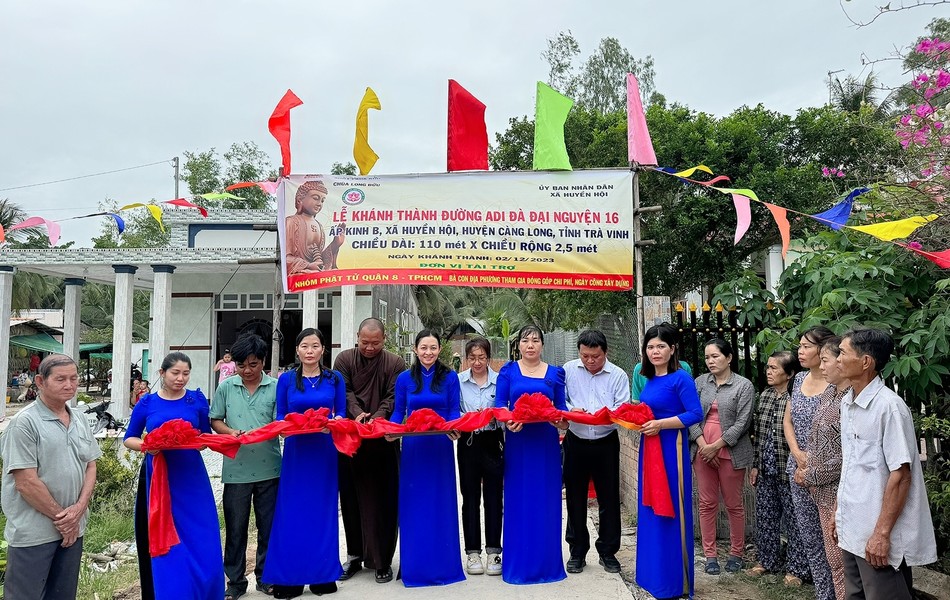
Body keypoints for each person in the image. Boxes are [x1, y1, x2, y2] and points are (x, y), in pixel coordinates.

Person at [836, 329, 937, 600]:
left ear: (866, 362)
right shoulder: (848, 403)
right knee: (855, 595)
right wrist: (840, 514)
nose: (836, 360)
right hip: (853, 529)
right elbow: (853, 467)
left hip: (878, 536)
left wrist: (881, 534)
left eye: (843, 353)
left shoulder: (889, 408)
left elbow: (901, 476)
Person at [1, 354, 101, 600]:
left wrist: (78, 510)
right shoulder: (24, 423)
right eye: (60, 379)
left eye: (73, 378)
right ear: (40, 381)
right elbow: (26, 482)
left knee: (63, 595)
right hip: (34, 533)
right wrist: (63, 519)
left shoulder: (78, 418)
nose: (69, 385)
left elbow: (91, 465)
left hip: (73, 529)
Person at [124, 352, 222, 600]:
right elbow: (130, 438)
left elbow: (204, 436)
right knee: (165, 535)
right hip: (159, 476)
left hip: (191, 477)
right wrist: (149, 445)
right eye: (175, 373)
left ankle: (205, 590)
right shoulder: (147, 403)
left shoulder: (197, 400)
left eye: (185, 373)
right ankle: (172, 590)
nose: (180, 378)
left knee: (201, 534)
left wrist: (194, 441)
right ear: (162, 373)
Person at [263, 328, 345, 598]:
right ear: (297, 351)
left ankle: (322, 575)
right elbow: (281, 416)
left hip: (323, 451)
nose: (310, 351)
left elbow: (342, 414)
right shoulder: (286, 380)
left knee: (322, 512)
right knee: (293, 513)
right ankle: (291, 578)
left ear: (323, 350)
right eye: (305, 346)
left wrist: (331, 425)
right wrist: (285, 428)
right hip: (297, 453)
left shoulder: (335, 379)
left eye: (315, 346)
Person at [332, 317, 406, 584]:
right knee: (350, 499)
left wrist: (377, 417)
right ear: (357, 337)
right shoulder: (344, 360)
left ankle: (382, 560)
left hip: (382, 439)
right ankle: (353, 556)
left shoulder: (394, 363)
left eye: (375, 343)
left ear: (384, 340)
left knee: (383, 500)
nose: (370, 348)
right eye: (365, 342)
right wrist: (357, 414)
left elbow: (393, 395)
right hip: (351, 439)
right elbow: (345, 392)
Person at [389, 330, 465, 587]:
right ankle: (415, 565)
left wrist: (454, 428)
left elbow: (454, 409)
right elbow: (400, 411)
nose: (428, 353)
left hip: (440, 445)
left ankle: (444, 564)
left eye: (433, 348)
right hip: (414, 447)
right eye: (424, 348)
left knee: (440, 502)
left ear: (439, 349)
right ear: (415, 349)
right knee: (415, 504)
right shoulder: (404, 378)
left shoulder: (450, 377)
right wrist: (390, 430)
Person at [494, 324, 569, 584]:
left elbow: (562, 411)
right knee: (519, 500)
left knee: (546, 501)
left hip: (546, 445)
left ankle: (548, 565)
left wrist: (560, 422)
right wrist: (509, 421)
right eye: (525, 340)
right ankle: (518, 565)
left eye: (535, 340)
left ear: (542, 345)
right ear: (518, 345)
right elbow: (499, 407)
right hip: (519, 443)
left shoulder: (555, 374)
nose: (530, 345)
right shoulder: (508, 371)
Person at [635, 324, 704, 600]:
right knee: (650, 508)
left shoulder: (681, 378)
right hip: (649, 448)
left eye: (661, 346)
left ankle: (675, 582)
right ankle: (652, 575)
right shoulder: (648, 378)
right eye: (651, 347)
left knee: (672, 508)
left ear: (673, 349)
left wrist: (661, 424)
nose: (655, 351)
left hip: (670, 448)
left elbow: (695, 414)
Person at [210, 334, 281, 600]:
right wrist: (230, 432)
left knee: (268, 527)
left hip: (270, 469)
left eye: (253, 364)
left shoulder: (275, 387)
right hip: (236, 470)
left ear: (263, 362)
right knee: (236, 529)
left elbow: (281, 423)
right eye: (241, 365)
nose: (247, 370)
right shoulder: (226, 387)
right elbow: (215, 419)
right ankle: (236, 582)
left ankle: (266, 577)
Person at [562, 329, 630, 575]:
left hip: (605, 442)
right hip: (576, 441)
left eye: (596, 356)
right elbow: (561, 400)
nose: (590, 361)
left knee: (609, 498)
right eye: (585, 356)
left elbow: (622, 408)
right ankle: (577, 551)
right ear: (579, 352)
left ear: (605, 353)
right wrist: (572, 410)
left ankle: (608, 551)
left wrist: (602, 416)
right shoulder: (568, 370)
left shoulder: (618, 375)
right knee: (575, 497)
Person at [690, 339, 756, 575]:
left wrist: (716, 446)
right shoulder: (699, 383)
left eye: (715, 356)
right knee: (706, 503)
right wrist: (703, 445)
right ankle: (710, 555)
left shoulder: (744, 386)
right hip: (702, 451)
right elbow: (691, 415)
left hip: (731, 452)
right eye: (707, 357)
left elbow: (743, 423)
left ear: (729, 358)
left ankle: (736, 553)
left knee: (733, 504)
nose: (711, 361)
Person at [748, 351, 810, 587]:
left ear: (790, 373)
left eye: (775, 368)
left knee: (795, 521)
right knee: (765, 517)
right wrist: (756, 466)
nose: (769, 372)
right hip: (766, 469)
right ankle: (767, 560)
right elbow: (760, 435)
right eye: (768, 367)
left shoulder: (796, 398)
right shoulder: (764, 396)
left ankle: (796, 568)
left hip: (788, 468)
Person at [785, 325, 837, 600]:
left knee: (832, 538)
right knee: (810, 536)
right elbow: (788, 420)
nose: (800, 351)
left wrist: (812, 461)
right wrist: (797, 453)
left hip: (828, 472)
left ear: (824, 349)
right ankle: (822, 594)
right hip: (799, 469)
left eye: (807, 346)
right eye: (800, 346)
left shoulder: (838, 383)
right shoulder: (799, 379)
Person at [795, 337, 848, 599]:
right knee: (829, 556)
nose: (824, 367)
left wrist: (811, 473)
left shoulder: (851, 399)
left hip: (837, 490)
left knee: (842, 562)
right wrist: (801, 461)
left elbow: (847, 454)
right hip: (819, 488)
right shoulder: (830, 392)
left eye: (827, 360)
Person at [456, 337, 503, 576]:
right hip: (468, 441)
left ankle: (494, 551)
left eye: (481, 357)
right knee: (470, 497)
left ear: (488, 358)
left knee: (494, 496)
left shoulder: (499, 381)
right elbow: (455, 410)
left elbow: (504, 409)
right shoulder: (459, 382)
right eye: (472, 358)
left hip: (492, 441)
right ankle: (472, 552)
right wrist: (469, 417)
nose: (477, 362)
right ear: (467, 359)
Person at [285, 180, 346, 274]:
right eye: (315, 198)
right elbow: (285, 258)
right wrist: (308, 265)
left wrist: (335, 244)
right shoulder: (291, 222)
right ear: (299, 200)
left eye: (322, 200)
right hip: (298, 275)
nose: (319, 203)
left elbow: (320, 259)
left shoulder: (319, 226)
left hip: (313, 276)